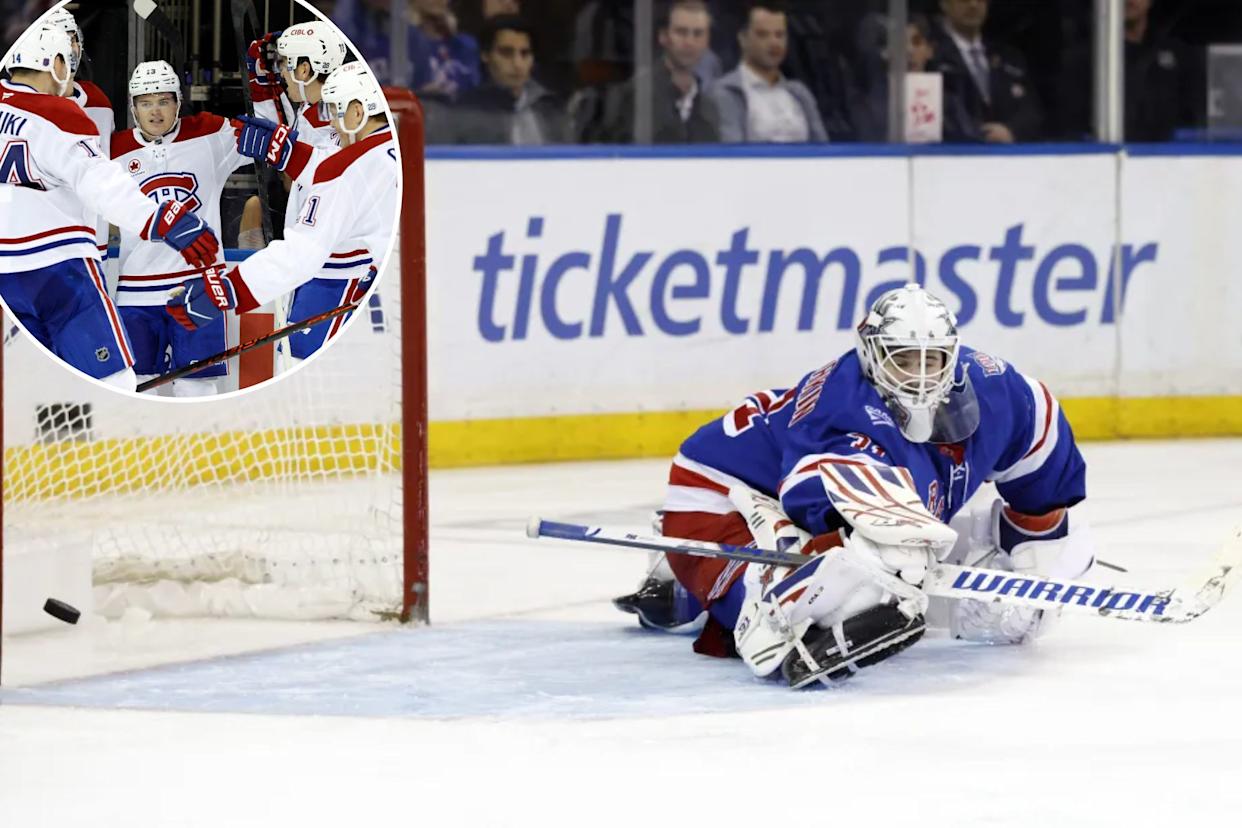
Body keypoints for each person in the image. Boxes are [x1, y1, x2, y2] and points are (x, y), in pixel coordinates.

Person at [615, 284, 1093, 686]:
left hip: (792, 482)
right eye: (905, 361)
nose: (922, 377)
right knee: (841, 592)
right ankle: (696, 582)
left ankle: (704, 587)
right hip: (719, 493)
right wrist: (900, 565)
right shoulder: (840, 414)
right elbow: (817, 506)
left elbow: (1044, 484)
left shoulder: (1005, 395)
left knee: (912, 560)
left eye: (934, 361)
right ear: (871, 356)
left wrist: (1036, 567)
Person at [0, 25, 219, 391]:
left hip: (7, 275)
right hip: (57, 270)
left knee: (32, 386)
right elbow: (99, 180)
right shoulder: (58, 113)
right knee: (112, 381)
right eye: (67, 62)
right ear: (53, 63)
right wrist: (158, 219)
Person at [166, 62, 394, 344]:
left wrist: (226, 290)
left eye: (336, 111)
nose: (333, 123)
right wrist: (289, 152)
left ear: (358, 111)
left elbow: (301, 253)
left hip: (343, 282)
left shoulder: (348, 169)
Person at [110, 61, 254, 396]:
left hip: (197, 289)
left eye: (164, 101)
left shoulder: (209, 134)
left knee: (197, 390)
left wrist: (264, 93)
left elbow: (269, 136)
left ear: (178, 102)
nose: (155, 111)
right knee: (136, 390)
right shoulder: (112, 150)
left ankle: (201, 449)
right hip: (135, 292)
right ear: (133, 107)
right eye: (146, 102)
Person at [244, 23, 363, 362]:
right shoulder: (314, 110)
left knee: (299, 364)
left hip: (335, 266)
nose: (281, 73)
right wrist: (261, 85)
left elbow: (321, 169)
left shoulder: (335, 116)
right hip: (314, 263)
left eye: (285, 64)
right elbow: (282, 136)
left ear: (305, 68)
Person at [43, 6, 114, 262]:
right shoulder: (15, 102)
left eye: (71, 37)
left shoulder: (99, 102)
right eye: (57, 37)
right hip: (32, 248)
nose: (67, 46)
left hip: (90, 246)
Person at [597, 0, 720, 144]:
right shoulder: (634, 97)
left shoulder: (710, 110)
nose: (690, 42)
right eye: (681, 32)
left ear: (707, 41)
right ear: (663, 36)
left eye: (698, 34)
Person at [708, 1, 827, 143]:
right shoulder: (724, 93)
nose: (774, 43)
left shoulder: (800, 94)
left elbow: (823, 150)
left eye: (779, 35)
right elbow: (732, 155)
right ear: (743, 39)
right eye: (763, 35)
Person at [930, 0, 1042, 143]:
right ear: (944, 4)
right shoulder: (930, 55)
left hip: (1008, 158)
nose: (973, 4)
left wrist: (1011, 131)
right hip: (951, 157)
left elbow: (1032, 110)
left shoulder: (1009, 56)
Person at [445, 15, 570, 145]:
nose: (518, 64)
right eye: (506, 53)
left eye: (525, 54)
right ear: (485, 55)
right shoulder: (465, 112)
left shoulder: (551, 107)